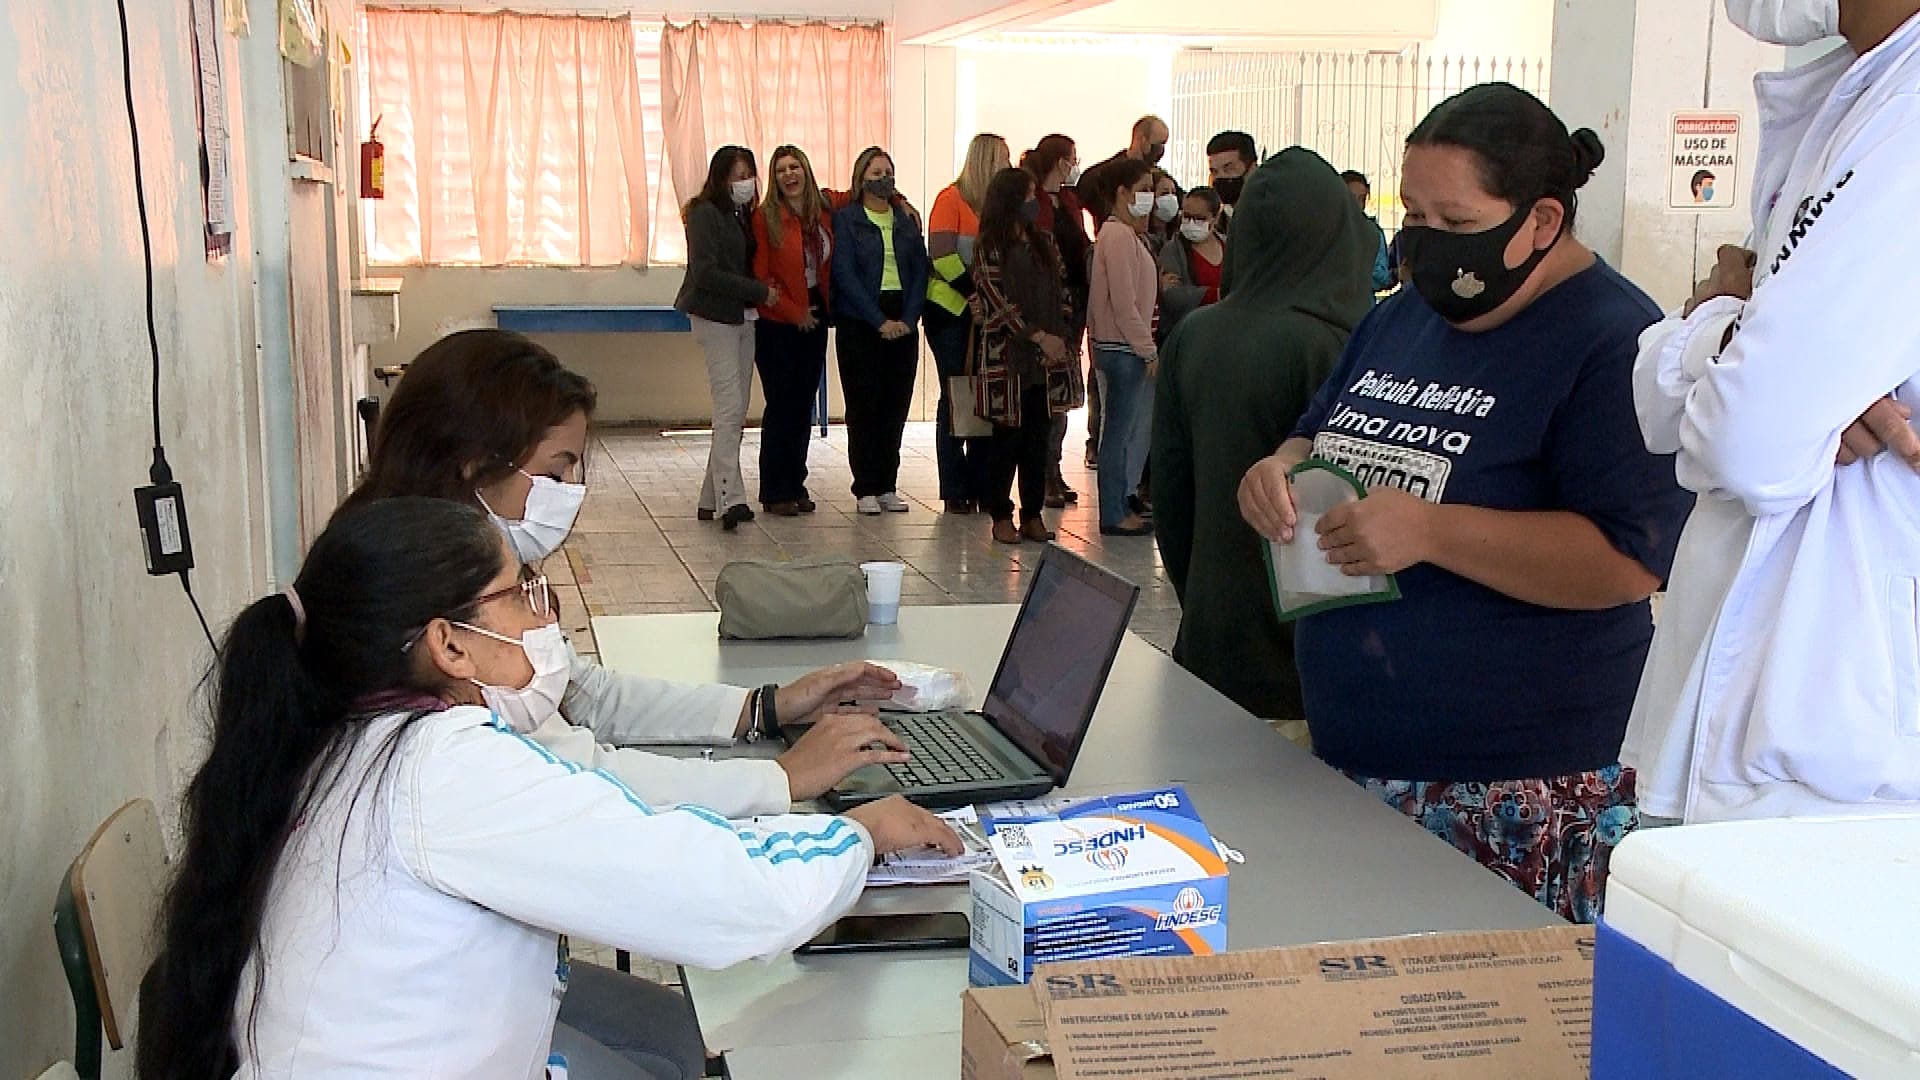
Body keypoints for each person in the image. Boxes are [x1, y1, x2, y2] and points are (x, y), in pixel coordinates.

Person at [135, 497, 961, 1078]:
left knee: (671, 1041)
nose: (542, 618)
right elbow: (723, 899)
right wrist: (860, 834)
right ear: (449, 645)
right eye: (520, 596)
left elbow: (620, 831)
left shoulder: (339, 737)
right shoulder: (443, 771)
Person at [1236, 84, 1695, 922]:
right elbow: (1314, 433)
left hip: (1516, 786)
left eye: (1454, 223)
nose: (1424, 244)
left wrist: (1431, 532)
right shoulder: (1402, 316)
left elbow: (1629, 564)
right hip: (1357, 756)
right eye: (1412, 214)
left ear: (1541, 222)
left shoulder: (1614, 343)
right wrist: (1278, 467)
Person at [340, 329, 919, 822]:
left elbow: (583, 693)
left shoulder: (400, 553)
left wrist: (766, 708)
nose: (566, 495)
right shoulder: (428, 615)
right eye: (553, 471)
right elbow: (584, 779)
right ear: (472, 465)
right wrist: (782, 781)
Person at [1624, 0, 1920, 825]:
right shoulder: (1854, 94)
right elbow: (1660, 399)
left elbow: (1748, 440)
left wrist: (1726, 331)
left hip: (1838, 754)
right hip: (1755, 729)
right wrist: (1737, 332)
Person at [1153, 149, 1373, 729]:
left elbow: (1170, 499)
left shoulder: (1195, 333)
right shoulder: (1337, 348)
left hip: (1210, 645)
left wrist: (1202, 598)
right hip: (1299, 672)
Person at [973, 167, 1076, 545]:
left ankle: (1032, 513)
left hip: (1043, 362)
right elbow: (996, 302)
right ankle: (1001, 514)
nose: (1036, 204)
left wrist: (1059, 338)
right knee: (1006, 441)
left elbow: (1063, 290)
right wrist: (1037, 336)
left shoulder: (1044, 240)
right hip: (1008, 359)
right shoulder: (990, 245)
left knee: (1038, 439)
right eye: (1031, 196)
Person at [675, 146, 774, 531]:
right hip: (716, 316)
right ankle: (732, 498)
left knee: (736, 406)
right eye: (736, 175)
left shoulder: (745, 215)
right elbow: (705, 271)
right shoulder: (704, 213)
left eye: (748, 173)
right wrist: (758, 290)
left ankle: (708, 497)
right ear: (719, 177)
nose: (744, 182)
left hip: (743, 318)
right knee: (730, 407)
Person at [832, 146, 931, 515]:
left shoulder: (906, 220)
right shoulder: (847, 219)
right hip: (861, 321)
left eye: (887, 171)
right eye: (875, 172)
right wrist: (878, 320)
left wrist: (908, 318)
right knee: (864, 406)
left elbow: (920, 271)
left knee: (895, 405)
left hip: (902, 318)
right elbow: (844, 274)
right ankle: (866, 487)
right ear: (861, 178)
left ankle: (888, 483)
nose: (882, 178)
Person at [926, 134, 1009, 515]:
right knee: (955, 396)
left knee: (982, 399)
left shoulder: (997, 208)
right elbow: (941, 256)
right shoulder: (950, 199)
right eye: (1003, 159)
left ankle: (980, 480)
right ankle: (954, 486)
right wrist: (973, 294)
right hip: (951, 312)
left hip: (987, 314)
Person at [752, 145, 833, 517]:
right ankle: (775, 488)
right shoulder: (765, 217)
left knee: (803, 406)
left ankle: (796, 481)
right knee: (782, 405)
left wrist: (897, 197)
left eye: (795, 166)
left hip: (816, 314)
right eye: (781, 169)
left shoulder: (822, 211)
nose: (789, 174)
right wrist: (793, 311)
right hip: (778, 322)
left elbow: (857, 189)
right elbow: (762, 277)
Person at [1088, 158, 1161, 537]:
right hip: (1122, 349)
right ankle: (1114, 512)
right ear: (1122, 192)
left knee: (1124, 432)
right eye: (1144, 188)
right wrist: (1146, 349)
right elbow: (1123, 301)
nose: (1149, 197)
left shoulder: (1126, 234)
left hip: (1124, 347)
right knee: (1118, 434)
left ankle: (1120, 505)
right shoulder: (1116, 236)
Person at [1022, 134, 1093, 508]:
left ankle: (1055, 469)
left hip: (1074, 302)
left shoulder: (1068, 200)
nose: (1076, 165)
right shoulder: (1034, 198)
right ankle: (1041, 473)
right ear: (1060, 161)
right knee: (1045, 394)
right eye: (1072, 159)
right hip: (1048, 303)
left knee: (1063, 394)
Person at [1156, 185, 1225, 341]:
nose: (1191, 223)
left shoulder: (1229, 246)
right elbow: (1173, 296)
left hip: (1225, 335)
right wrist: (1214, 294)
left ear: (1215, 217)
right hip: (1189, 337)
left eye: (1200, 219)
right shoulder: (1172, 250)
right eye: (1186, 217)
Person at [1076, 115, 1170, 226]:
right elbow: (1076, 205)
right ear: (1141, 139)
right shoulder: (1102, 175)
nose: (1160, 151)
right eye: (1158, 145)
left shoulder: (1161, 178)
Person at [1341, 169, 1395, 294]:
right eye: (1352, 198)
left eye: (1362, 199)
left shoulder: (1373, 234)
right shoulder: (1326, 229)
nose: (1358, 204)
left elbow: (1381, 277)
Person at [1206, 130, 1258, 221]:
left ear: (1252, 169)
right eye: (1214, 171)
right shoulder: (1219, 221)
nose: (1220, 177)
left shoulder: (1274, 214)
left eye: (1228, 169)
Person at [1145, 167, 1183, 255]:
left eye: (1173, 193)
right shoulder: (1142, 238)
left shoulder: (1178, 235)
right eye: (1164, 193)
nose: (1171, 198)